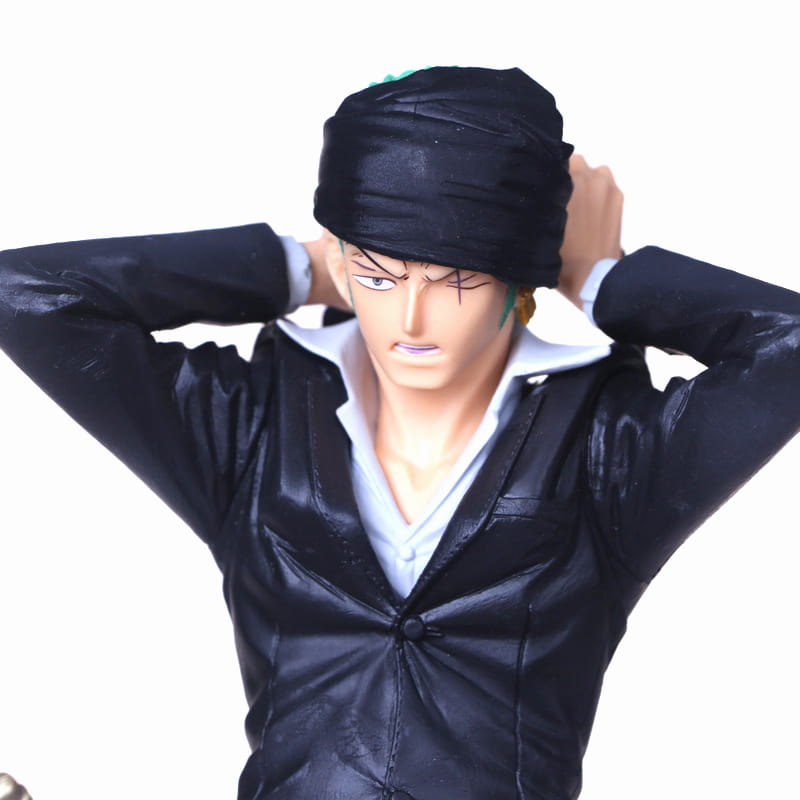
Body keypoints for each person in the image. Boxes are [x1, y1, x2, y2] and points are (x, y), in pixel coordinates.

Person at [0, 66, 798, 800]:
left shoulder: (609, 451)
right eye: (380, 276)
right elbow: (27, 296)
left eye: (457, 280)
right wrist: (298, 266)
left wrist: (599, 276)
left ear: (519, 279)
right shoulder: (249, 424)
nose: (410, 319)